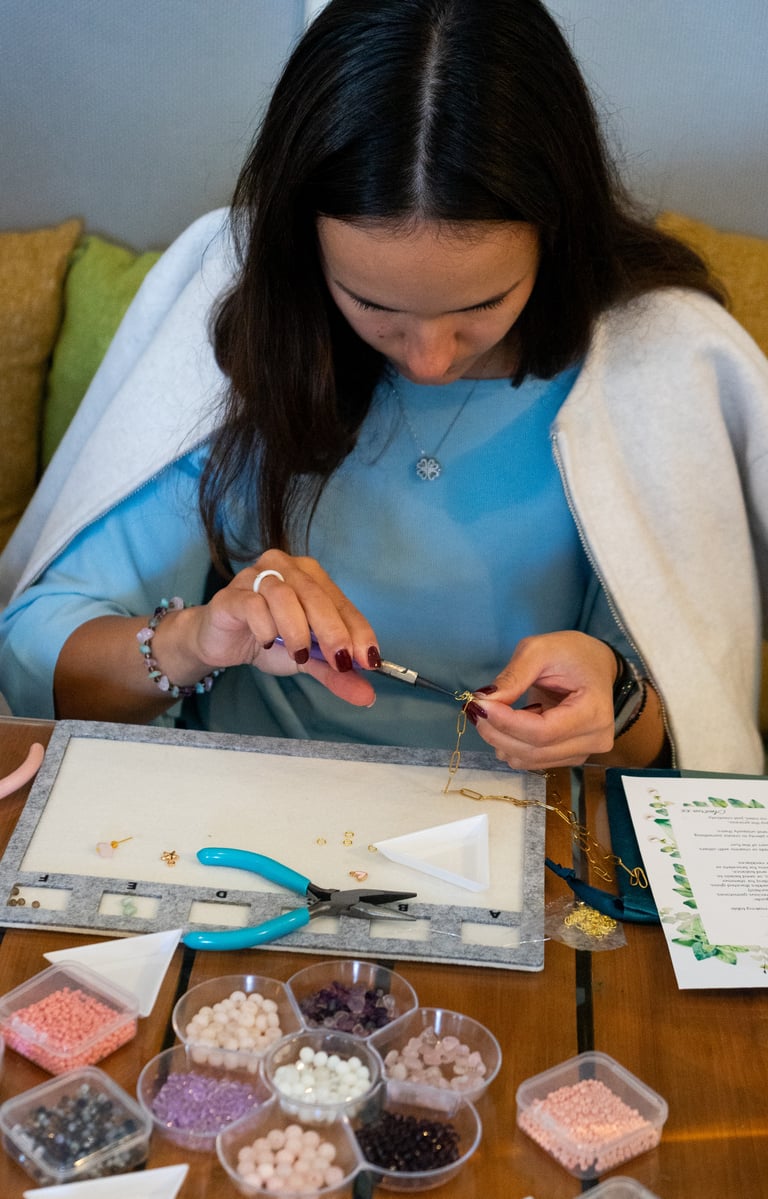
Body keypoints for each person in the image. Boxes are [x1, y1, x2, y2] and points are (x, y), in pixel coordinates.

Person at [0, 0, 766, 775]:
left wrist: (617, 702)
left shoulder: (657, 362)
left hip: (530, 817)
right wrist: (194, 639)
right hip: (242, 792)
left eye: (481, 306)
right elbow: (35, 657)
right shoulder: (241, 313)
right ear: (304, 248)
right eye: (372, 304)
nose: (428, 361)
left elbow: (691, 753)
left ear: (557, 234)